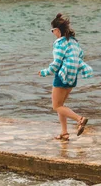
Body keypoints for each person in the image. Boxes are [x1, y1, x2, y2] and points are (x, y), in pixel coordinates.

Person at [39, 13, 93, 141]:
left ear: (57, 30)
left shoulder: (59, 43)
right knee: (61, 105)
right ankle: (64, 133)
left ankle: (80, 119)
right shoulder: (74, 42)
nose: (53, 33)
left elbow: (57, 63)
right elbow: (80, 56)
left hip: (62, 76)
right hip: (72, 76)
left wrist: (45, 72)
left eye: (52, 30)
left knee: (56, 106)